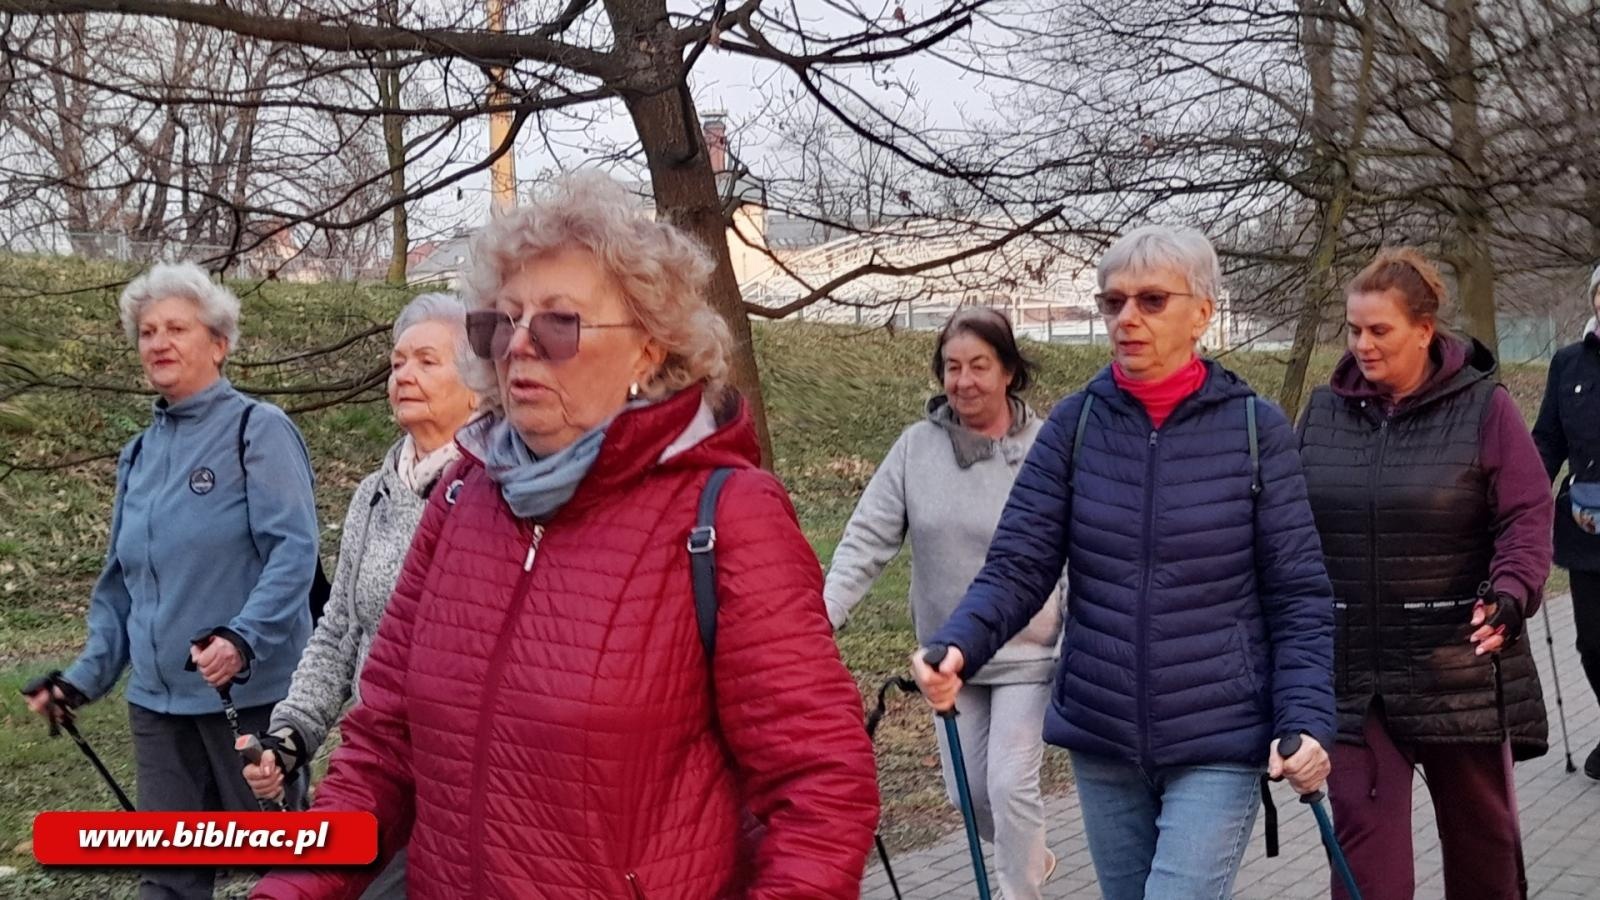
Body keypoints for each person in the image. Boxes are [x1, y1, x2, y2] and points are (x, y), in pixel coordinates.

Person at [251, 173, 879, 900]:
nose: (518, 346)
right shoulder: (458, 501)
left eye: (557, 322)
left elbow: (822, 789)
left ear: (648, 347)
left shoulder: (727, 516)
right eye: (499, 322)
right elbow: (382, 747)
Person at [912, 225, 1336, 900]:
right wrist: (958, 641)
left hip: (1218, 736)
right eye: (1113, 302)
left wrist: (1306, 718)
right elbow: (1020, 562)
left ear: (1203, 311)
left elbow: (1298, 596)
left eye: (1151, 300)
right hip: (1104, 738)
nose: (1126, 318)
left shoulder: (1257, 431)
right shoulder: (1076, 426)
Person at [24, 262, 318, 900]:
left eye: (177, 328)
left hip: (249, 700)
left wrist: (242, 639)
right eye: (147, 330)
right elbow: (120, 590)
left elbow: (294, 554)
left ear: (218, 343)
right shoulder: (138, 455)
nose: (158, 341)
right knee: (168, 879)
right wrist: (80, 680)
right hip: (158, 711)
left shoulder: (256, 430)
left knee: (289, 875)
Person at [1298, 248, 1554, 900]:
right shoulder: (1323, 415)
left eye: (1379, 330)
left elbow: (1526, 515)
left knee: (1484, 860)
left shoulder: (1485, 409)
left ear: (1423, 328)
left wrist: (1511, 592)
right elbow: (1288, 532)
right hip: (1356, 678)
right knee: (1365, 868)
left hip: (1457, 671)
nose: (1362, 345)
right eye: (1353, 330)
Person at [241, 293, 481, 896]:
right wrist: (291, 734)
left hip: (464, 782)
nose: (403, 374)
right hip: (375, 765)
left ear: (480, 386)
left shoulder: (500, 490)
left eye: (427, 360)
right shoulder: (375, 494)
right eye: (398, 361)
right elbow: (339, 629)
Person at [824, 307, 1061, 899]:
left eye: (979, 365)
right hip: (948, 659)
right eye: (952, 367)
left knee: (1009, 787)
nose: (964, 381)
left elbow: (1080, 546)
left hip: (1029, 649)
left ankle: (1020, 890)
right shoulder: (916, 450)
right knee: (966, 793)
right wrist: (821, 617)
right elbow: (865, 541)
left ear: (1008, 370)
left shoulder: (1048, 445)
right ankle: (1029, 856)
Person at [1533, 266, 1600, 781]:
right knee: (1592, 643)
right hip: (1587, 529)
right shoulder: (1568, 364)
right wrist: (1522, 496)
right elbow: (1548, 442)